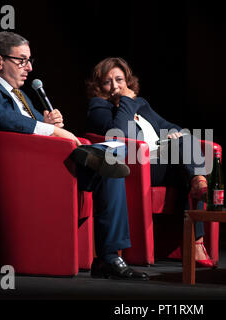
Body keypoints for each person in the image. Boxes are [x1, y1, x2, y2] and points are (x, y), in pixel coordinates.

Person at [0, 32, 148, 281]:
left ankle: (110, 257)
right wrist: (51, 129)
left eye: (29, 60)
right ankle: (91, 157)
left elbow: (34, 124)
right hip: (23, 169)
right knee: (106, 160)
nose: (29, 68)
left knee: (112, 160)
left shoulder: (24, 95)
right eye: (22, 60)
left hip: (49, 163)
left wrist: (47, 122)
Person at [86, 57, 214, 267]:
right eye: (108, 82)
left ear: (128, 81)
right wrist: (126, 101)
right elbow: (118, 133)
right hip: (135, 165)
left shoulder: (140, 104)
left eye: (119, 79)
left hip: (158, 161)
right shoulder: (99, 107)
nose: (115, 86)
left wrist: (175, 134)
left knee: (186, 139)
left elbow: (167, 125)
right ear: (99, 86)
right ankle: (196, 243)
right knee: (186, 164)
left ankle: (198, 183)